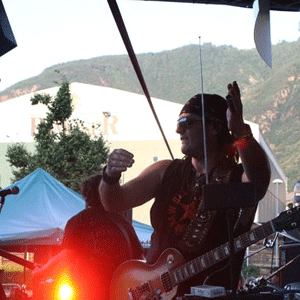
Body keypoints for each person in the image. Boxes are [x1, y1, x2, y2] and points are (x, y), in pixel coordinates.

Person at [99, 81, 271, 297]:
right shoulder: (165, 171)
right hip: (150, 291)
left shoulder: (237, 177)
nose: (178, 130)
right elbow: (114, 202)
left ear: (215, 127)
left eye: (187, 122)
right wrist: (110, 175)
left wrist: (239, 131)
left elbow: (258, 182)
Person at [32, 174, 144, 300]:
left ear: (87, 194)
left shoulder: (79, 221)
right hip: (122, 294)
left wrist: (41, 272)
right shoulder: (123, 224)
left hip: (89, 293)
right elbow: (139, 260)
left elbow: (67, 256)